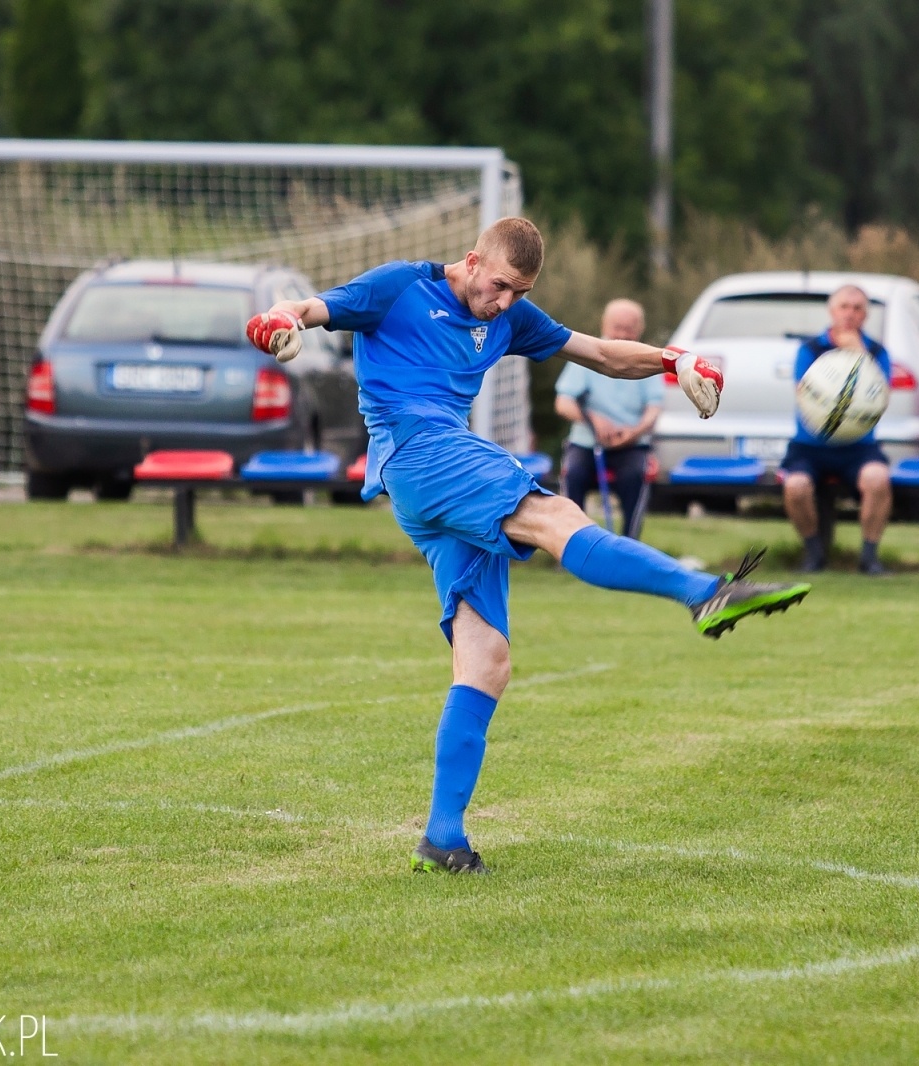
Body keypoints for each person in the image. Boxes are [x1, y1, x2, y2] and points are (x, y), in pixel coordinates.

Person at [247, 218, 811, 875]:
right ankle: (703, 594)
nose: (507, 302)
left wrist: (674, 360)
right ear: (470, 261)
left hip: (432, 483)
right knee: (555, 515)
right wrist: (278, 320)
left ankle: (442, 839)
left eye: (521, 292)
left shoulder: (510, 314)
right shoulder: (400, 287)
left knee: (485, 660)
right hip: (421, 450)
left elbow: (598, 353)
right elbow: (310, 308)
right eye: (501, 286)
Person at [781, 284, 894, 575]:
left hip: (858, 447)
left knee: (878, 479)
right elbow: (804, 396)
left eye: (857, 308)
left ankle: (869, 558)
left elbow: (881, 398)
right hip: (810, 446)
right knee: (795, 487)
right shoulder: (810, 350)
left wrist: (858, 355)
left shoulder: (877, 352)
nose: (850, 314)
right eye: (844, 306)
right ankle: (814, 555)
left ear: (865, 315)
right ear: (832, 311)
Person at [554, 298, 662, 539]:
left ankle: (630, 548)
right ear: (604, 325)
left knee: (635, 476)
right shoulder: (587, 354)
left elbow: (655, 408)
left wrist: (634, 432)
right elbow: (563, 402)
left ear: (639, 329)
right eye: (617, 327)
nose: (622, 334)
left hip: (631, 444)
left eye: (629, 328)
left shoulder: (649, 358)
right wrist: (592, 419)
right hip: (587, 441)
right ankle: (570, 543)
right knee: (573, 474)